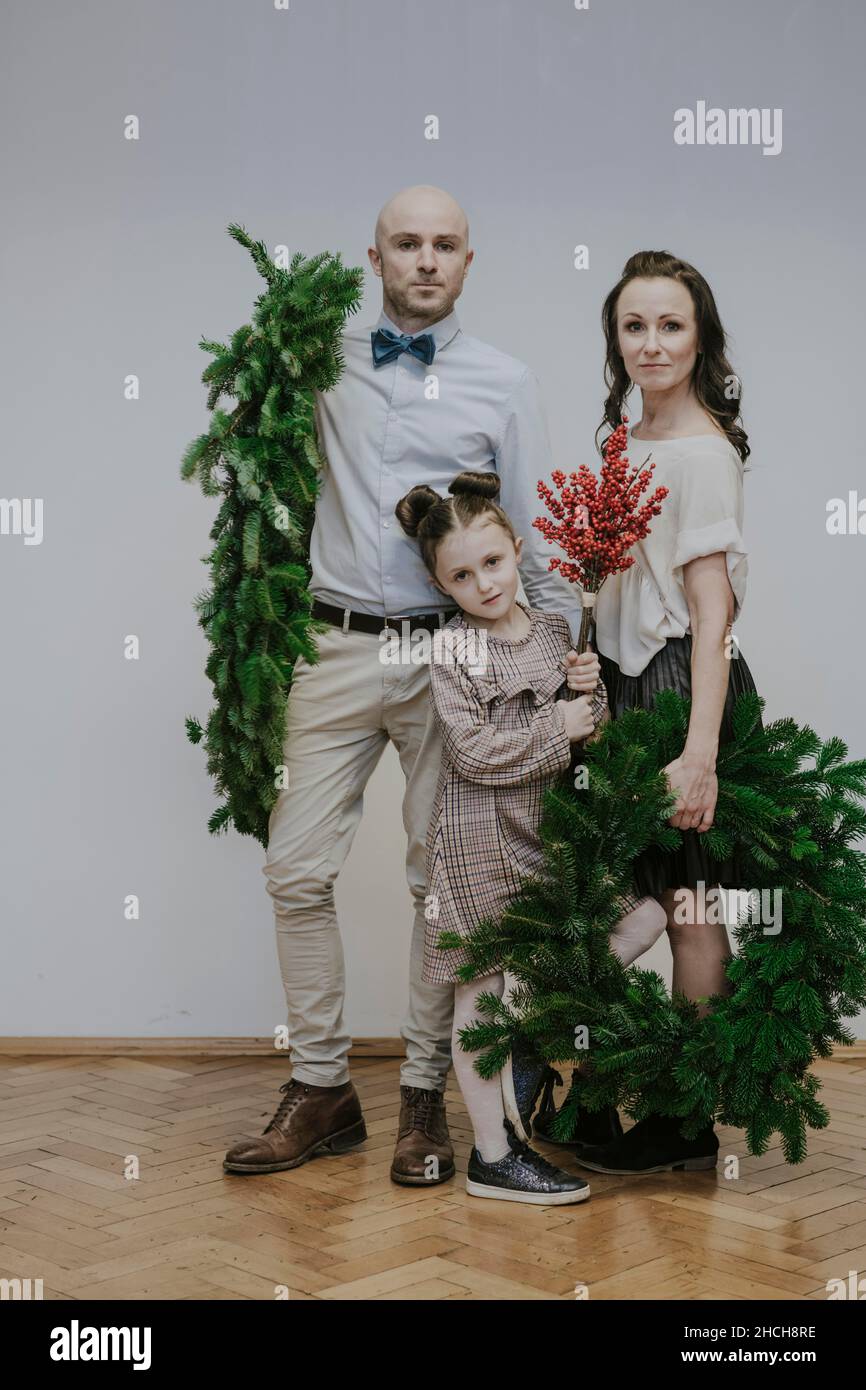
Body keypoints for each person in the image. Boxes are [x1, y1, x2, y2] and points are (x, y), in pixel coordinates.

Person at [223, 185, 583, 1182]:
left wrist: (559, 678)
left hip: (452, 660)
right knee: (294, 868)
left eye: (445, 245)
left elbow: (536, 544)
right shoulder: (315, 364)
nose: (425, 260)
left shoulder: (504, 383)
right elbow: (254, 473)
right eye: (405, 244)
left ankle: (425, 1096)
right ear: (371, 258)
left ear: (470, 261)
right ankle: (321, 1087)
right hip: (329, 646)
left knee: (444, 890)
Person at [536, 249, 760, 1175]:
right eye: (635, 325)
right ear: (615, 338)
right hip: (624, 690)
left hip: (678, 690)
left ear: (699, 335)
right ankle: (595, 1095)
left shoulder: (703, 452)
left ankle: (683, 1117)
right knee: (615, 899)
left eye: (671, 324)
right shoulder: (624, 442)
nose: (652, 342)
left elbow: (712, 617)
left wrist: (698, 751)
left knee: (691, 905)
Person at [393, 470, 669, 1203]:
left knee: (645, 915)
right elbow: (474, 753)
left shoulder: (553, 629)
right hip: (482, 840)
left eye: (492, 562)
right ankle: (493, 1154)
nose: (483, 583)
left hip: (552, 834)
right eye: (461, 575)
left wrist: (592, 694)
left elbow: (587, 733)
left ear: (518, 550)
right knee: (477, 990)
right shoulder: (453, 652)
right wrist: (557, 724)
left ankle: (532, 1028)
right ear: (439, 583)